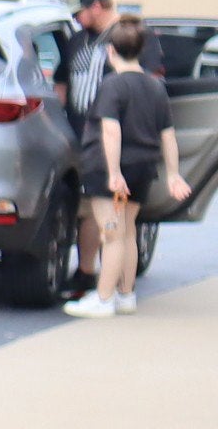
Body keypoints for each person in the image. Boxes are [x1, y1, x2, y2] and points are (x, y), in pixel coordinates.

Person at [65, 16, 189, 319]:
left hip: (111, 170)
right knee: (128, 230)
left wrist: (113, 173)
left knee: (111, 233)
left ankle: (104, 298)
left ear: (111, 52)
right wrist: (173, 174)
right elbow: (168, 136)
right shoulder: (155, 87)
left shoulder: (113, 85)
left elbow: (111, 131)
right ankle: (126, 294)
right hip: (144, 167)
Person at [55, 0, 116, 122]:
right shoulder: (76, 40)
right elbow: (61, 81)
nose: (74, 19)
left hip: (113, 132)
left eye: (77, 13)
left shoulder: (130, 36)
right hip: (78, 134)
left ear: (96, 6)